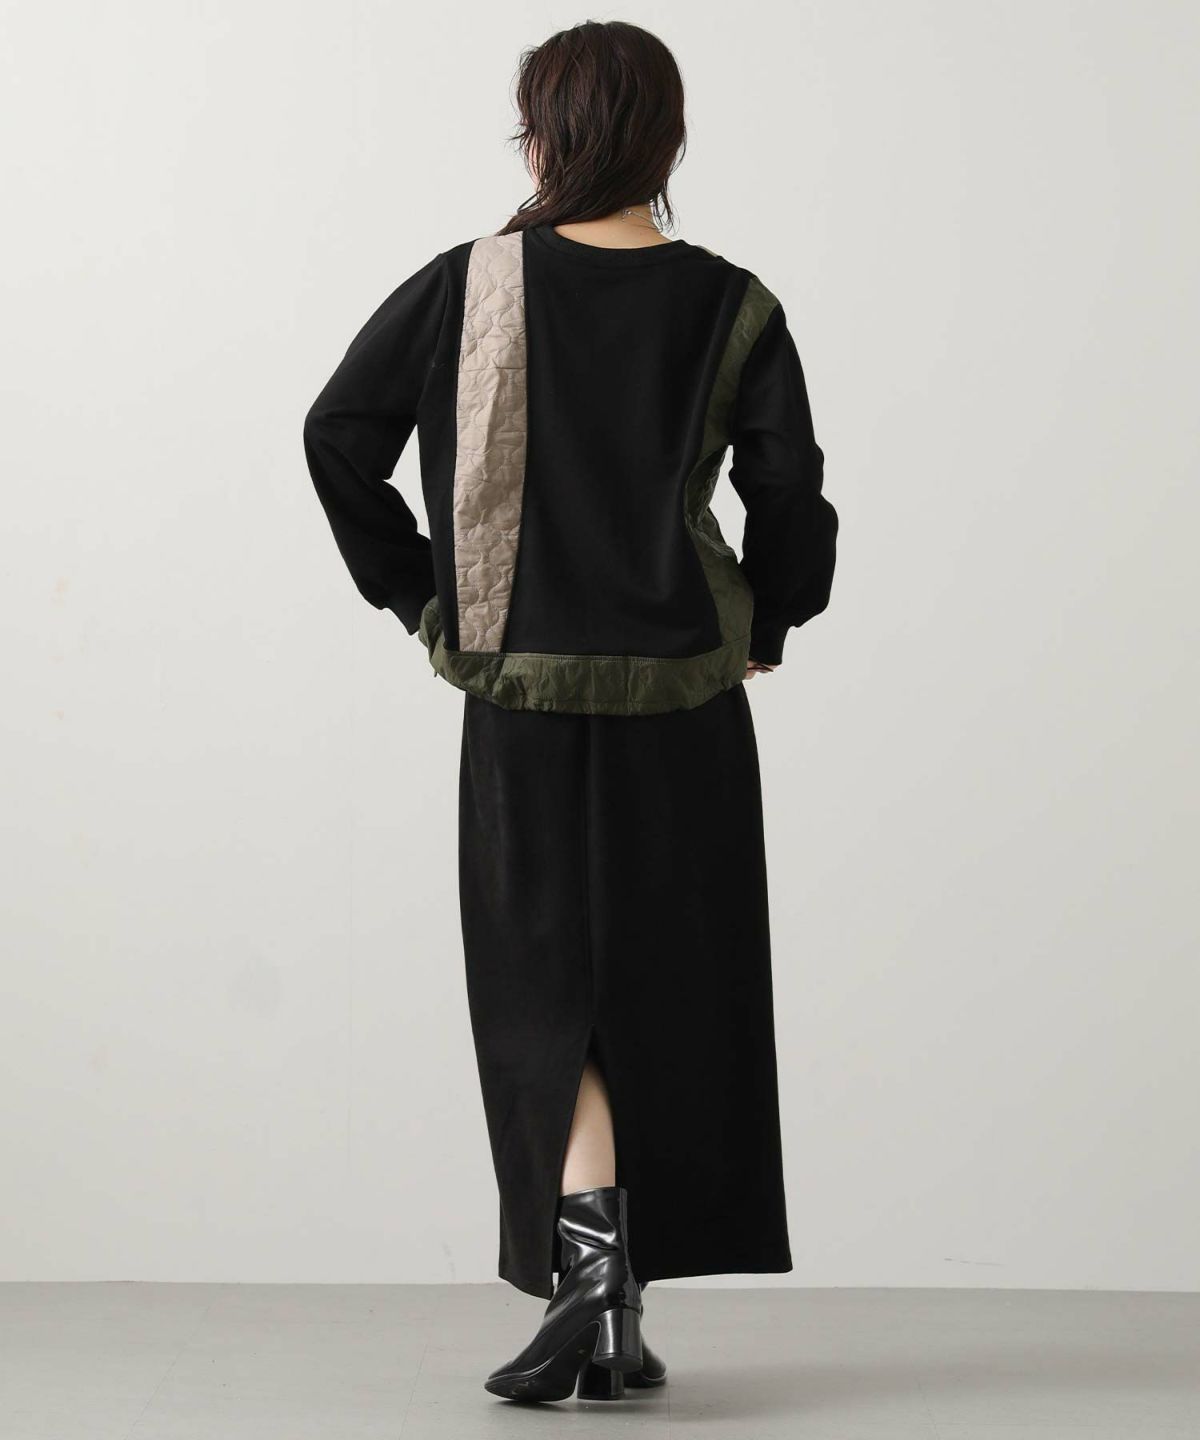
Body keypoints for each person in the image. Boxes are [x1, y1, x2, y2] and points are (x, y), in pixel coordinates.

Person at [302, 18, 837, 1405]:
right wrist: (771, 618)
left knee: (544, 992)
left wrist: (422, 598)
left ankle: (596, 1289)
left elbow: (336, 435)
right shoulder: (732, 303)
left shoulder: (468, 284)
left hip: (521, 697)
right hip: (686, 699)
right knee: (668, 990)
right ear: (667, 143)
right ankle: (612, 1301)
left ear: (542, 139)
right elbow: (787, 492)